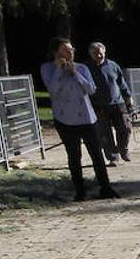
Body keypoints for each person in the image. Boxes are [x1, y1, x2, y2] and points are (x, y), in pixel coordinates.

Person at [39, 37, 118, 201]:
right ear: (56, 52)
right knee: (74, 156)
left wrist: (75, 74)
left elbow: (91, 89)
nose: (70, 53)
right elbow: (53, 90)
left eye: (72, 50)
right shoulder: (48, 69)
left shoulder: (82, 68)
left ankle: (105, 187)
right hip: (65, 119)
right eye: (65, 50)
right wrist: (60, 70)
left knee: (96, 154)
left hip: (87, 118)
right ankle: (80, 190)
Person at [87, 41, 135, 165]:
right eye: (95, 53)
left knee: (126, 128)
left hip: (118, 103)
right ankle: (113, 157)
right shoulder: (86, 68)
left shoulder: (113, 65)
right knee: (104, 133)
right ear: (90, 54)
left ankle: (123, 150)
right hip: (99, 106)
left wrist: (129, 99)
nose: (98, 56)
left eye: (100, 53)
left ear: (104, 52)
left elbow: (122, 83)